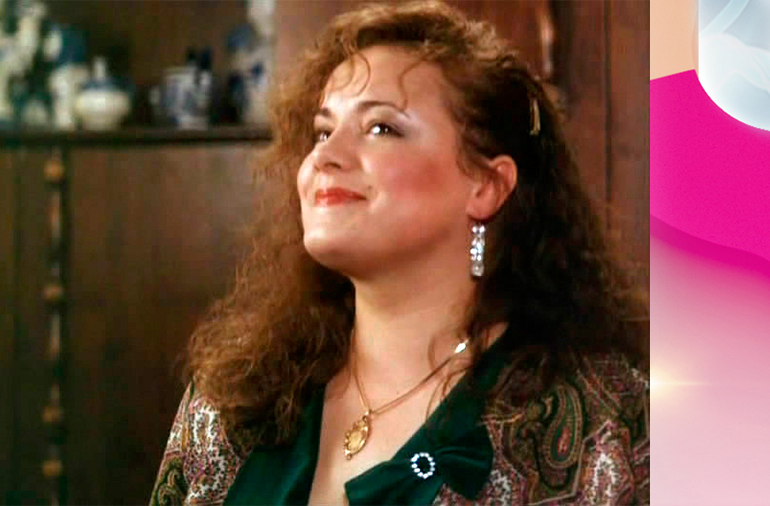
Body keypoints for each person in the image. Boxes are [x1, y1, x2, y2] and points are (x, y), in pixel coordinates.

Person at [149, 1, 649, 504]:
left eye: (381, 128)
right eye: (323, 131)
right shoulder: (230, 401)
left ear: (487, 186)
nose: (324, 156)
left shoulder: (603, 425)